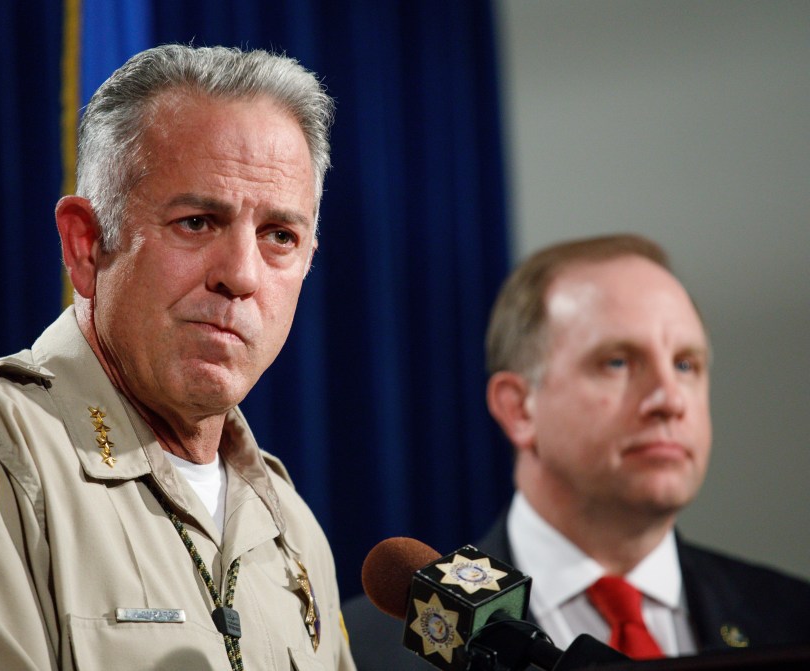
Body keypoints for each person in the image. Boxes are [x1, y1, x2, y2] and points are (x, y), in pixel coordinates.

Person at [0, 44, 355, 671]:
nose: (241, 275)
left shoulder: (290, 528)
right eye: (198, 222)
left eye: (280, 236)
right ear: (86, 245)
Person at [343, 234, 810, 669]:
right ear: (519, 408)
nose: (670, 399)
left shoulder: (793, 617)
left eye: (686, 364)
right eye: (618, 362)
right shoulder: (361, 650)